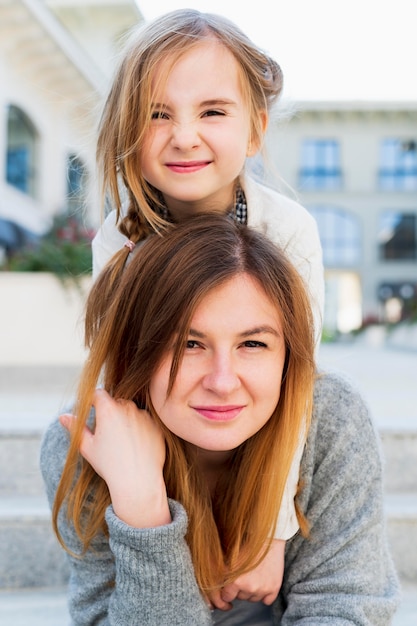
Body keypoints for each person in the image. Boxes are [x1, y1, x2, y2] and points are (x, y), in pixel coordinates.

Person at [40, 215, 399, 625]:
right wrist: (143, 513)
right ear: (134, 351)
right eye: (190, 344)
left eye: (252, 343)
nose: (223, 382)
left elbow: (345, 607)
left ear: (288, 357)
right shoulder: (87, 442)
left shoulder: (331, 418)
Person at [89, 9, 324, 605]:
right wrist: (148, 507)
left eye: (212, 111)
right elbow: (121, 386)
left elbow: (297, 381)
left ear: (254, 129)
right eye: (156, 114)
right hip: (172, 460)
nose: (184, 135)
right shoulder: (119, 243)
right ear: (125, 130)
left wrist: (272, 536)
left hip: (265, 451)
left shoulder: (288, 229)